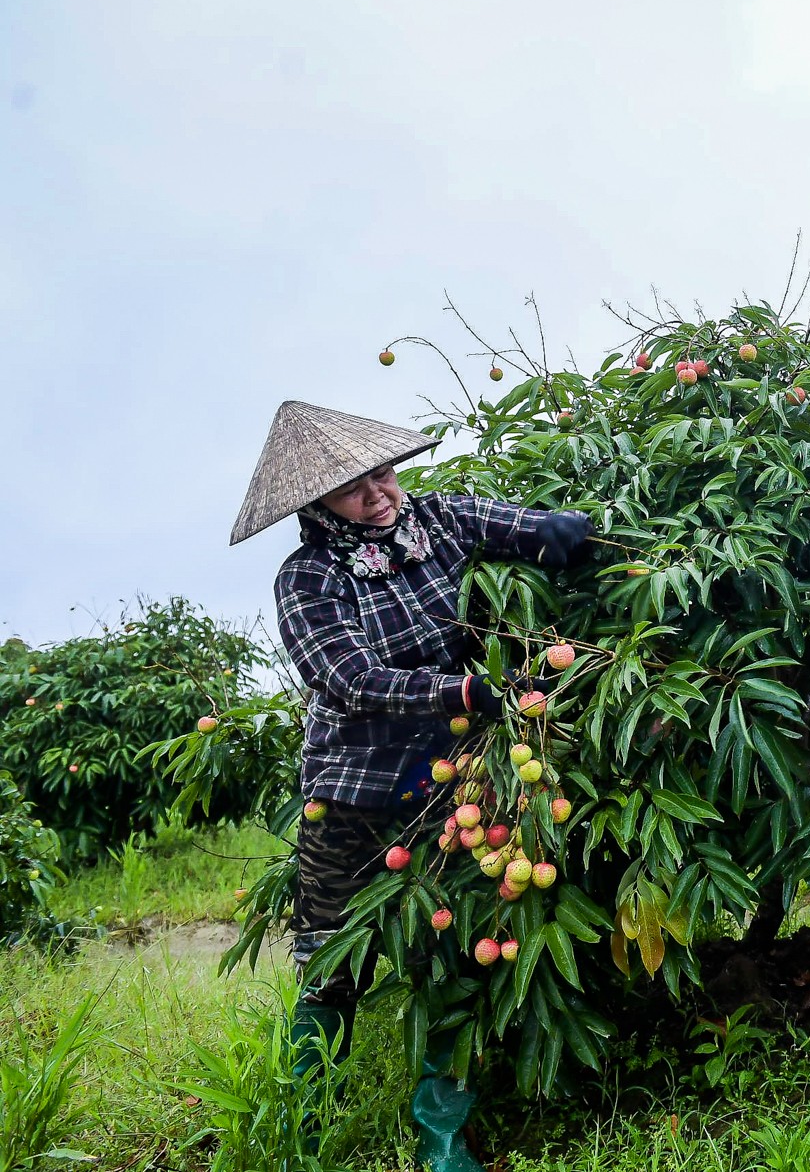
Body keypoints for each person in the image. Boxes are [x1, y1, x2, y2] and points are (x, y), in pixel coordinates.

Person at [229, 400, 594, 1172]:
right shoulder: (307, 577)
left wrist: (571, 531)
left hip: (448, 787)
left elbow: (518, 525)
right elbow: (348, 676)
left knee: (450, 952)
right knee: (332, 963)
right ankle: (305, 1125)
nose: (381, 493)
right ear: (316, 504)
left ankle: (443, 1136)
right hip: (352, 792)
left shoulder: (439, 519)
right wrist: (464, 694)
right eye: (356, 487)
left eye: (384, 473)